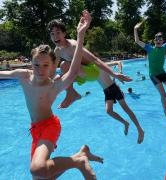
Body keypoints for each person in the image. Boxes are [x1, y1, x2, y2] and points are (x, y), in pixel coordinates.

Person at [0, 10, 103, 180]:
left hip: (50, 126)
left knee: (37, 169)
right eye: (36, 65)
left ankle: (79, 161)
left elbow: (74, 69)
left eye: (45, 65)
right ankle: (80, 154)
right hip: (35, 130)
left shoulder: (54, 85)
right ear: (30, 63)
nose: (40, 70)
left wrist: (80, 35)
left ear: (52, 66)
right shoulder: (23, 76)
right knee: (42, 176)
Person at [48, 19, 144, 144]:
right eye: (52, 33)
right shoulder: (57, 50)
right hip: (101, 86)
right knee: (108, 111)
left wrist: (114, 73)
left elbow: (96, 60)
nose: (55, 36)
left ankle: (140, 130)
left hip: (96, 74)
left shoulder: (74, 46)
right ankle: (125, 123)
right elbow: (53, 68)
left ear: (64, 33)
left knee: (126, 109)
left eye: (58, 32)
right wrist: (48, 80)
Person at [134, 19, 166, 121]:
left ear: (162, 41)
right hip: (154, 75)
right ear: (154, 41)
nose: (158, 41)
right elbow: (137, 41)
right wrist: (135, 29)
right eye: (156, 40)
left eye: (160, 40)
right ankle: (165, 111)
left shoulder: (163, 47)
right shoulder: (150, 48)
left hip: (162, 72)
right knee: (163, 94)